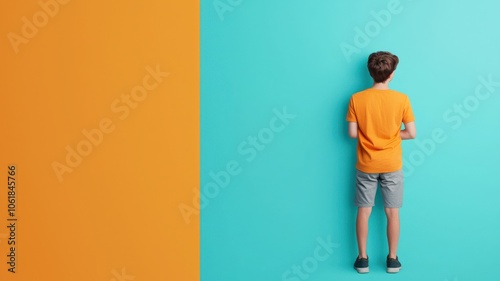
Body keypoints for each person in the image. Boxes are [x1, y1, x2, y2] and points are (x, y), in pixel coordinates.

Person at [345, 51, 416, 274]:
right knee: (392, 213)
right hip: (391, 164)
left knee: (363, 211)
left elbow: (352, 134)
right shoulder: (402, 99)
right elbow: (411, 133)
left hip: (366, 164)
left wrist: (371, 134)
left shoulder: (357, 98)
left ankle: (362, 259)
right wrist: (393, 135)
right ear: (392, 74)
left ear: (370, 72)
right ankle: (392, 259)